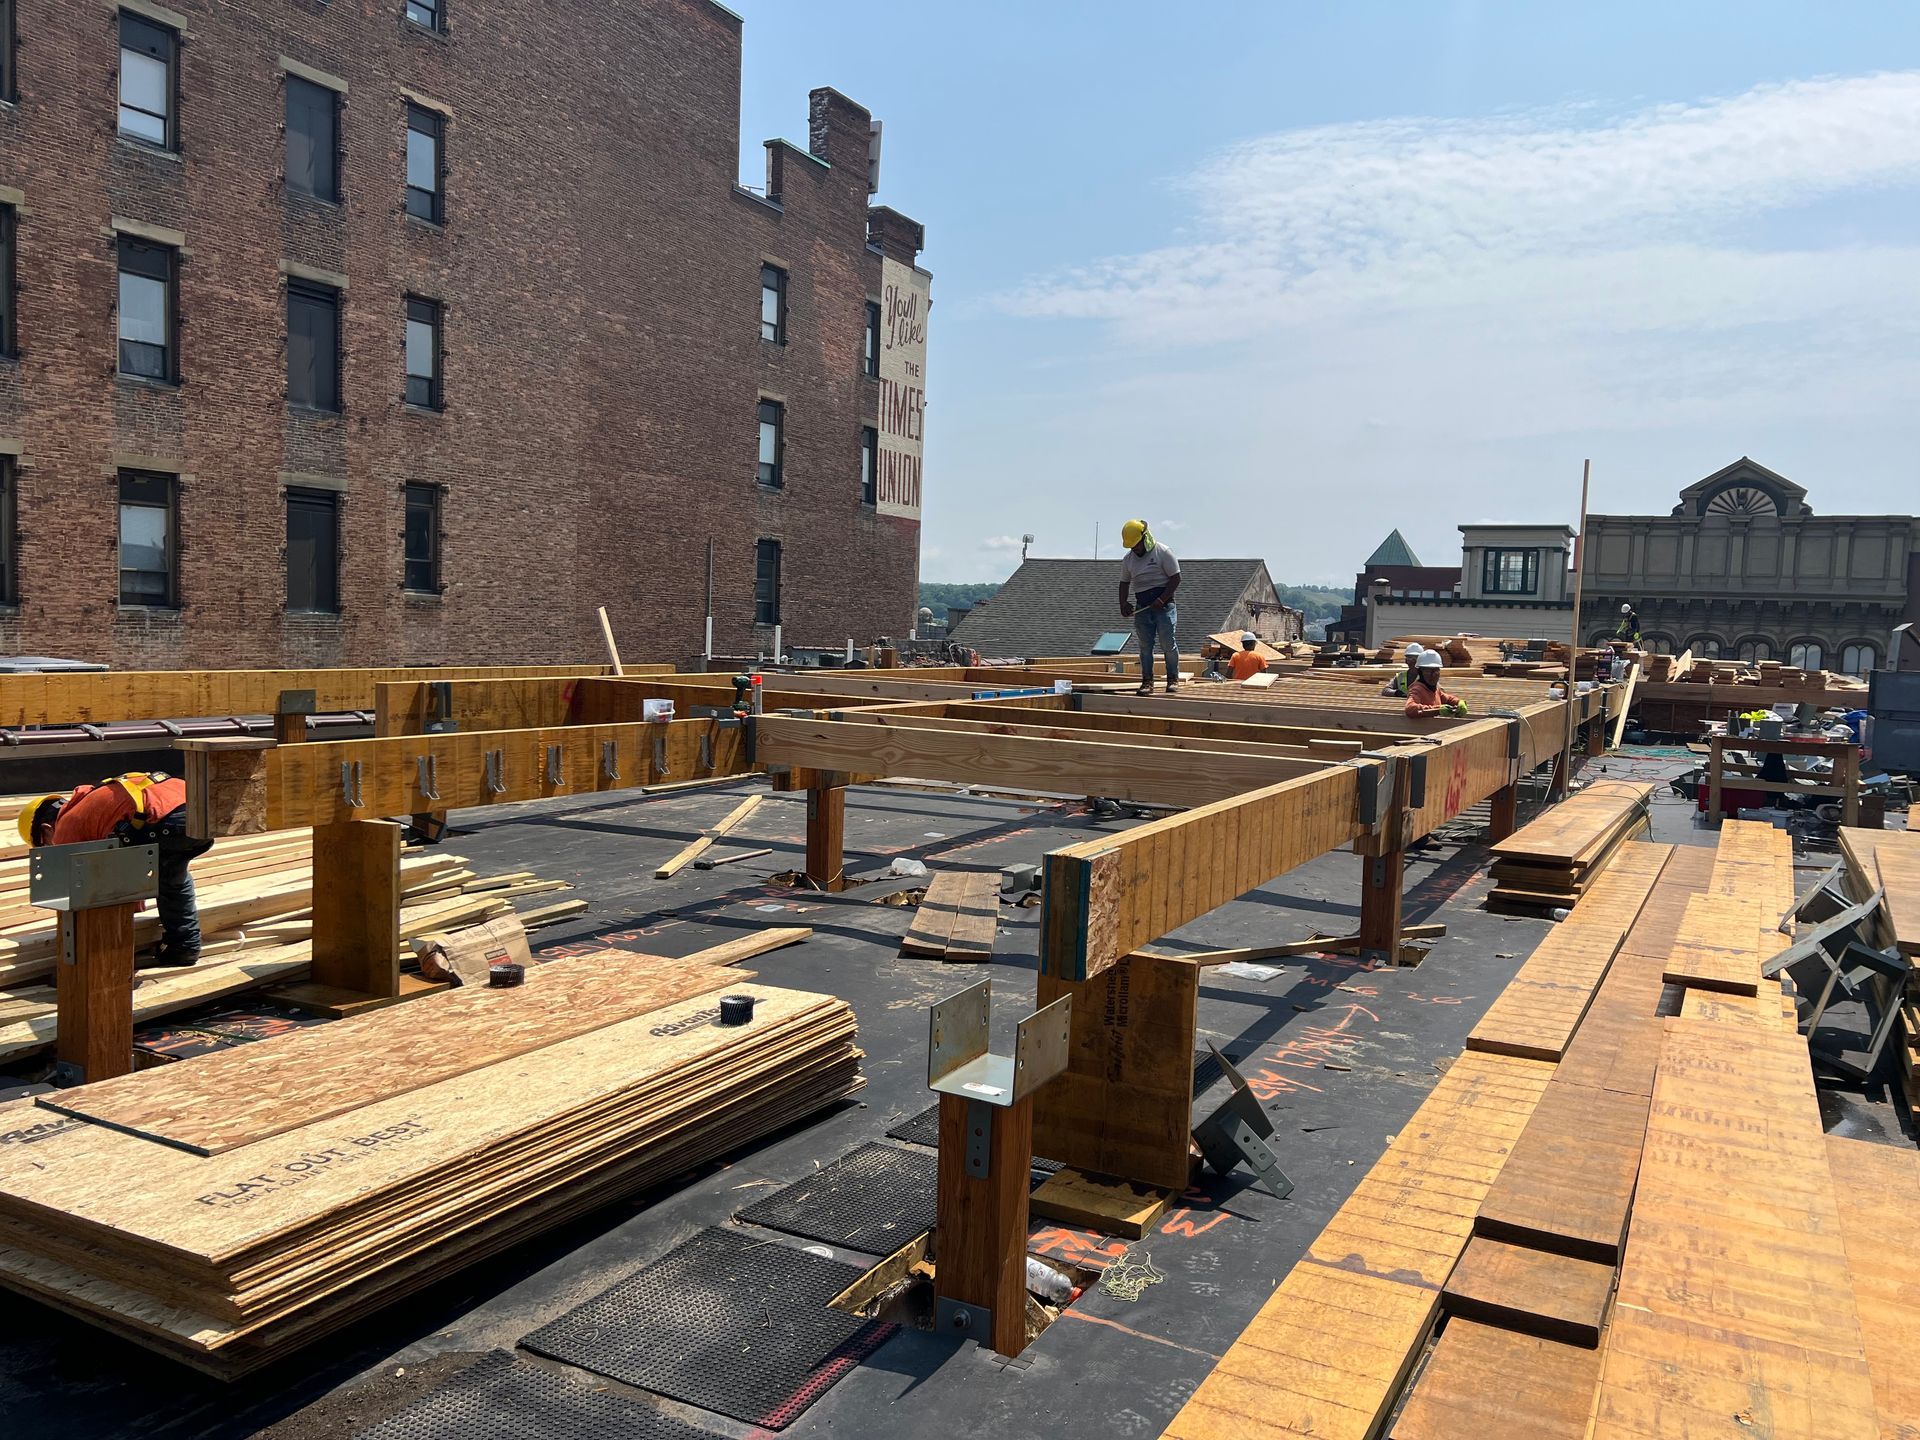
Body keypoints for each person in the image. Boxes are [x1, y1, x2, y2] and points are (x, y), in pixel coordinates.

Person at [20, 772, 213, 968]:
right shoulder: (92, 802)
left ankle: (106, 964)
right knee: (171, 876)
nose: (51, 849)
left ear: (46, 830)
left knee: (111, 883)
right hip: (205, 815)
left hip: (166, 821)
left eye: (45, 846)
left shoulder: (66, 827)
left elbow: (85, 892)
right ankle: (183, 949)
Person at [1116, 518, 1181, 695]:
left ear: (1146, 538)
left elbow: (1176, 578)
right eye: (1132, 547)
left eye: (1137, 545)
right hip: (1143, 607)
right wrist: (1123, 603)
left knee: (1168, 644)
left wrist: (1162, 599)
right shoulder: (1128, 560)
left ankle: (1173, 679)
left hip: (1165, 607)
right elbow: (1124, 583)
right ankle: (1147, 681)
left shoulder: (1162, 552)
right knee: (1145, 646)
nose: (1135, 549)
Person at [1405, 651, 1468, 718]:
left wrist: (1459, 702)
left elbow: (1448, 698)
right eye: (1428, 671)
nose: (1433, 675)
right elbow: (1410, 709)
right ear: (1420, 672)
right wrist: (1437, 710)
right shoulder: (1417, 689)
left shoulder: (1435, 689)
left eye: (1436, 671)